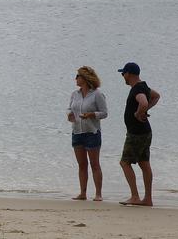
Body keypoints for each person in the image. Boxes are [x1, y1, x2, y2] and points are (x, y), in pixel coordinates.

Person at [117, 62, 161, 207]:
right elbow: (156, 96)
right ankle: (147, 199)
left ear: (129, 74)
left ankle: (135, 196)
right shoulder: (144, 86)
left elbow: (142, 102)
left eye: (123, 73)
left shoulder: (137, 89)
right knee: (144, 163)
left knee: (125, 162)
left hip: (136, 133)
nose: (123, 76)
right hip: (144, 132)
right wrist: (145, 110)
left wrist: (139, 112)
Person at [67, 66, 108, 201]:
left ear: (85, 78)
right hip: (77, 132)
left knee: (94, 164)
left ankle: (98, 194)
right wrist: (69, 115)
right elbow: (69, 108)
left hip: (92, 132)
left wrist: (92, 114)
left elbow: (104, 113)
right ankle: (83, 193)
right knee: (82, 164)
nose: (76, 79)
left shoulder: (97, 94)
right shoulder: (75, 94)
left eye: (78, 76)